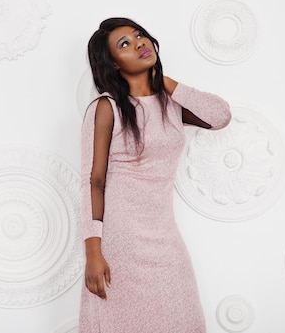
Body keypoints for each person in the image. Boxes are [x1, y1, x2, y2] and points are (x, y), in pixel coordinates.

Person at [79, 17, 231, 333]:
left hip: (165, 235)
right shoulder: (106, 108)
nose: (138, 43)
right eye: (124, 44)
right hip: (122, 238)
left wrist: (167, 84)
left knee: (181, 318)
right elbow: (94, 180)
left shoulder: (171, 105)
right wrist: (93, 252)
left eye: (139, 35)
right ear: (114, 64)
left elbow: (220, 117)